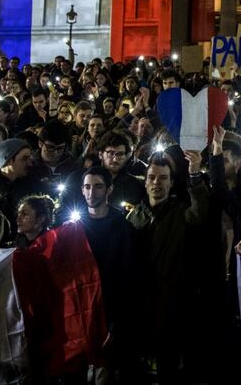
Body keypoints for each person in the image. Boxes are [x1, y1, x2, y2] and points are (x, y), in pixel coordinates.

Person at [125, 148, 208, 384]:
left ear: (172, 183)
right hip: (141, 305)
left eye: (163, 178)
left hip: (172, 303)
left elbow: (200, 211)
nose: (156, 183)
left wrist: (194, 176)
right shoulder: (134, 217)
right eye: (152, 178)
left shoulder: (181, 212)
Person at [77, 166, 142, 383]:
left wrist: (115, 324)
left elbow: (129, 278)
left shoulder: (123, 228)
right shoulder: (74, 228)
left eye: (97, 187)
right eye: (87, 187)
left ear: (109, 189)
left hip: (111, 314)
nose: (91, 193)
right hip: (81, 315)